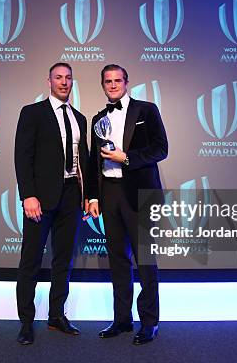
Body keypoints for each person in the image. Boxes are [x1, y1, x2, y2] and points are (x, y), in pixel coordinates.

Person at [87, 64, 168, 345]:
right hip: (109, 194)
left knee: (145, 261)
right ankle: (121, 319)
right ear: (102, 85)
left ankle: (149, 322)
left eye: (117, 80)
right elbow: (92, 161)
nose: (112, 85)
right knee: (118, 261)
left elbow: (161, 149)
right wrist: (93, 196)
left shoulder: (147, 110)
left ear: (126, 82)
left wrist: (127, 158)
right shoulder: (98, 118)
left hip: (139, 193)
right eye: (107, 81)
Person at [14, 62, 89, 345]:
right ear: (48, 81)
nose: (64, 82)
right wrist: (28, 195)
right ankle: (25, 322)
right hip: (40, 198)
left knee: (63, 260)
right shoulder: (32, 113)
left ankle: (57, 315)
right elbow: (23, 157)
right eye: (58, 77)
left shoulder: (80, 118)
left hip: (71, 196)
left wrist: (88, 196)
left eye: (68, 78)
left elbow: (85, 160)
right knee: (30, 261)